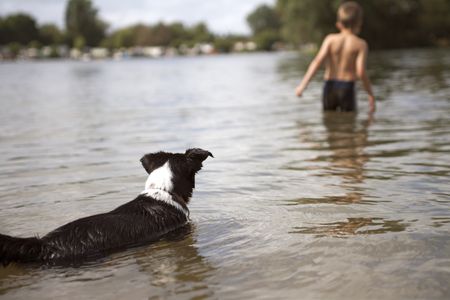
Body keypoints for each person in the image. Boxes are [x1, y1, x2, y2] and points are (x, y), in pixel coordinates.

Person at [295, 1, 375, 113]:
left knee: (329, 121)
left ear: (339, 23)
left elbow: (317, 62)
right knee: (349, 124)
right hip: (347, 87)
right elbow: (361, 72)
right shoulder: (360, 44)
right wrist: (370, 94)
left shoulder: (330, 40)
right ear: (359, 22)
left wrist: (302, 86)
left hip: (329, 86)